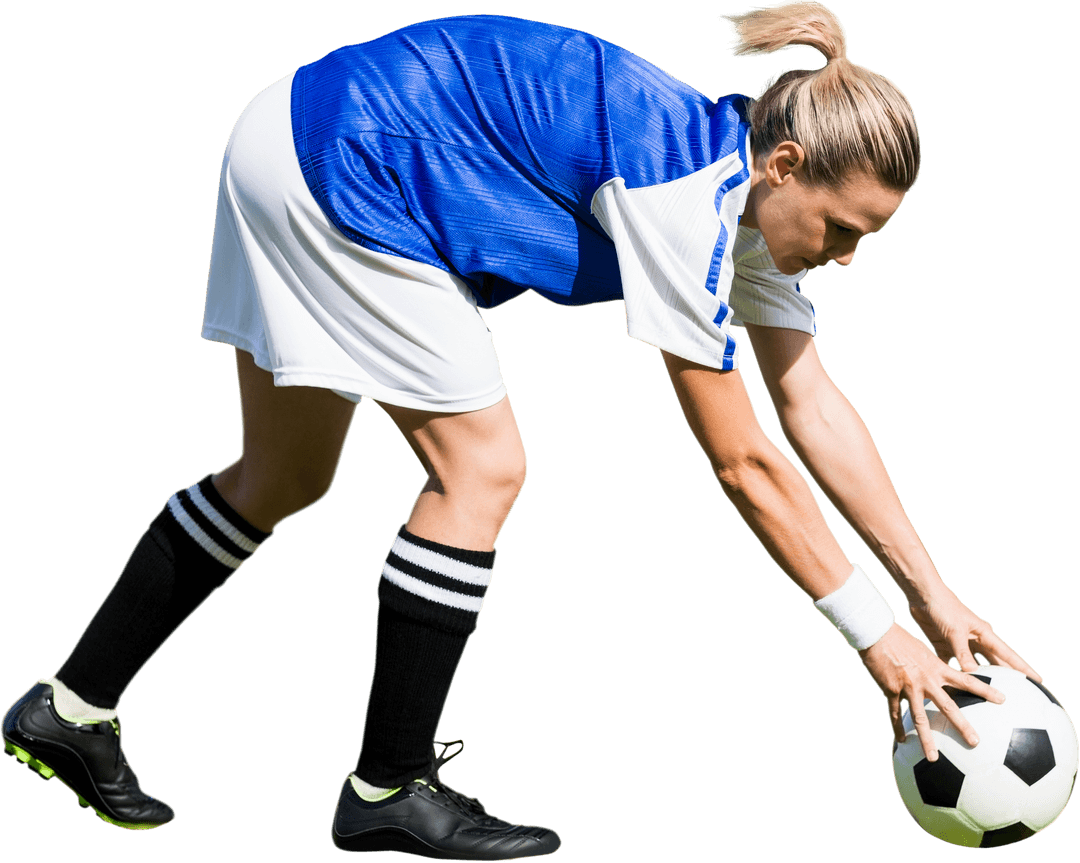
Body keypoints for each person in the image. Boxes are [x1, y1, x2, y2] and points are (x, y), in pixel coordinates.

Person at [1, 2, 1043, 859]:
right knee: (483, 466)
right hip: (347, 157)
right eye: (844, 227)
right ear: (783, 165)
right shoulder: (689, 195)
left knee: (282, 474)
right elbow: (744, 461)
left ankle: (69, 708)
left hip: (296, 133)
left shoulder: (750, 217)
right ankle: (388, 784)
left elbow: (812, 406)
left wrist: (933, 597)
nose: (848, 255)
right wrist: (876, 641)